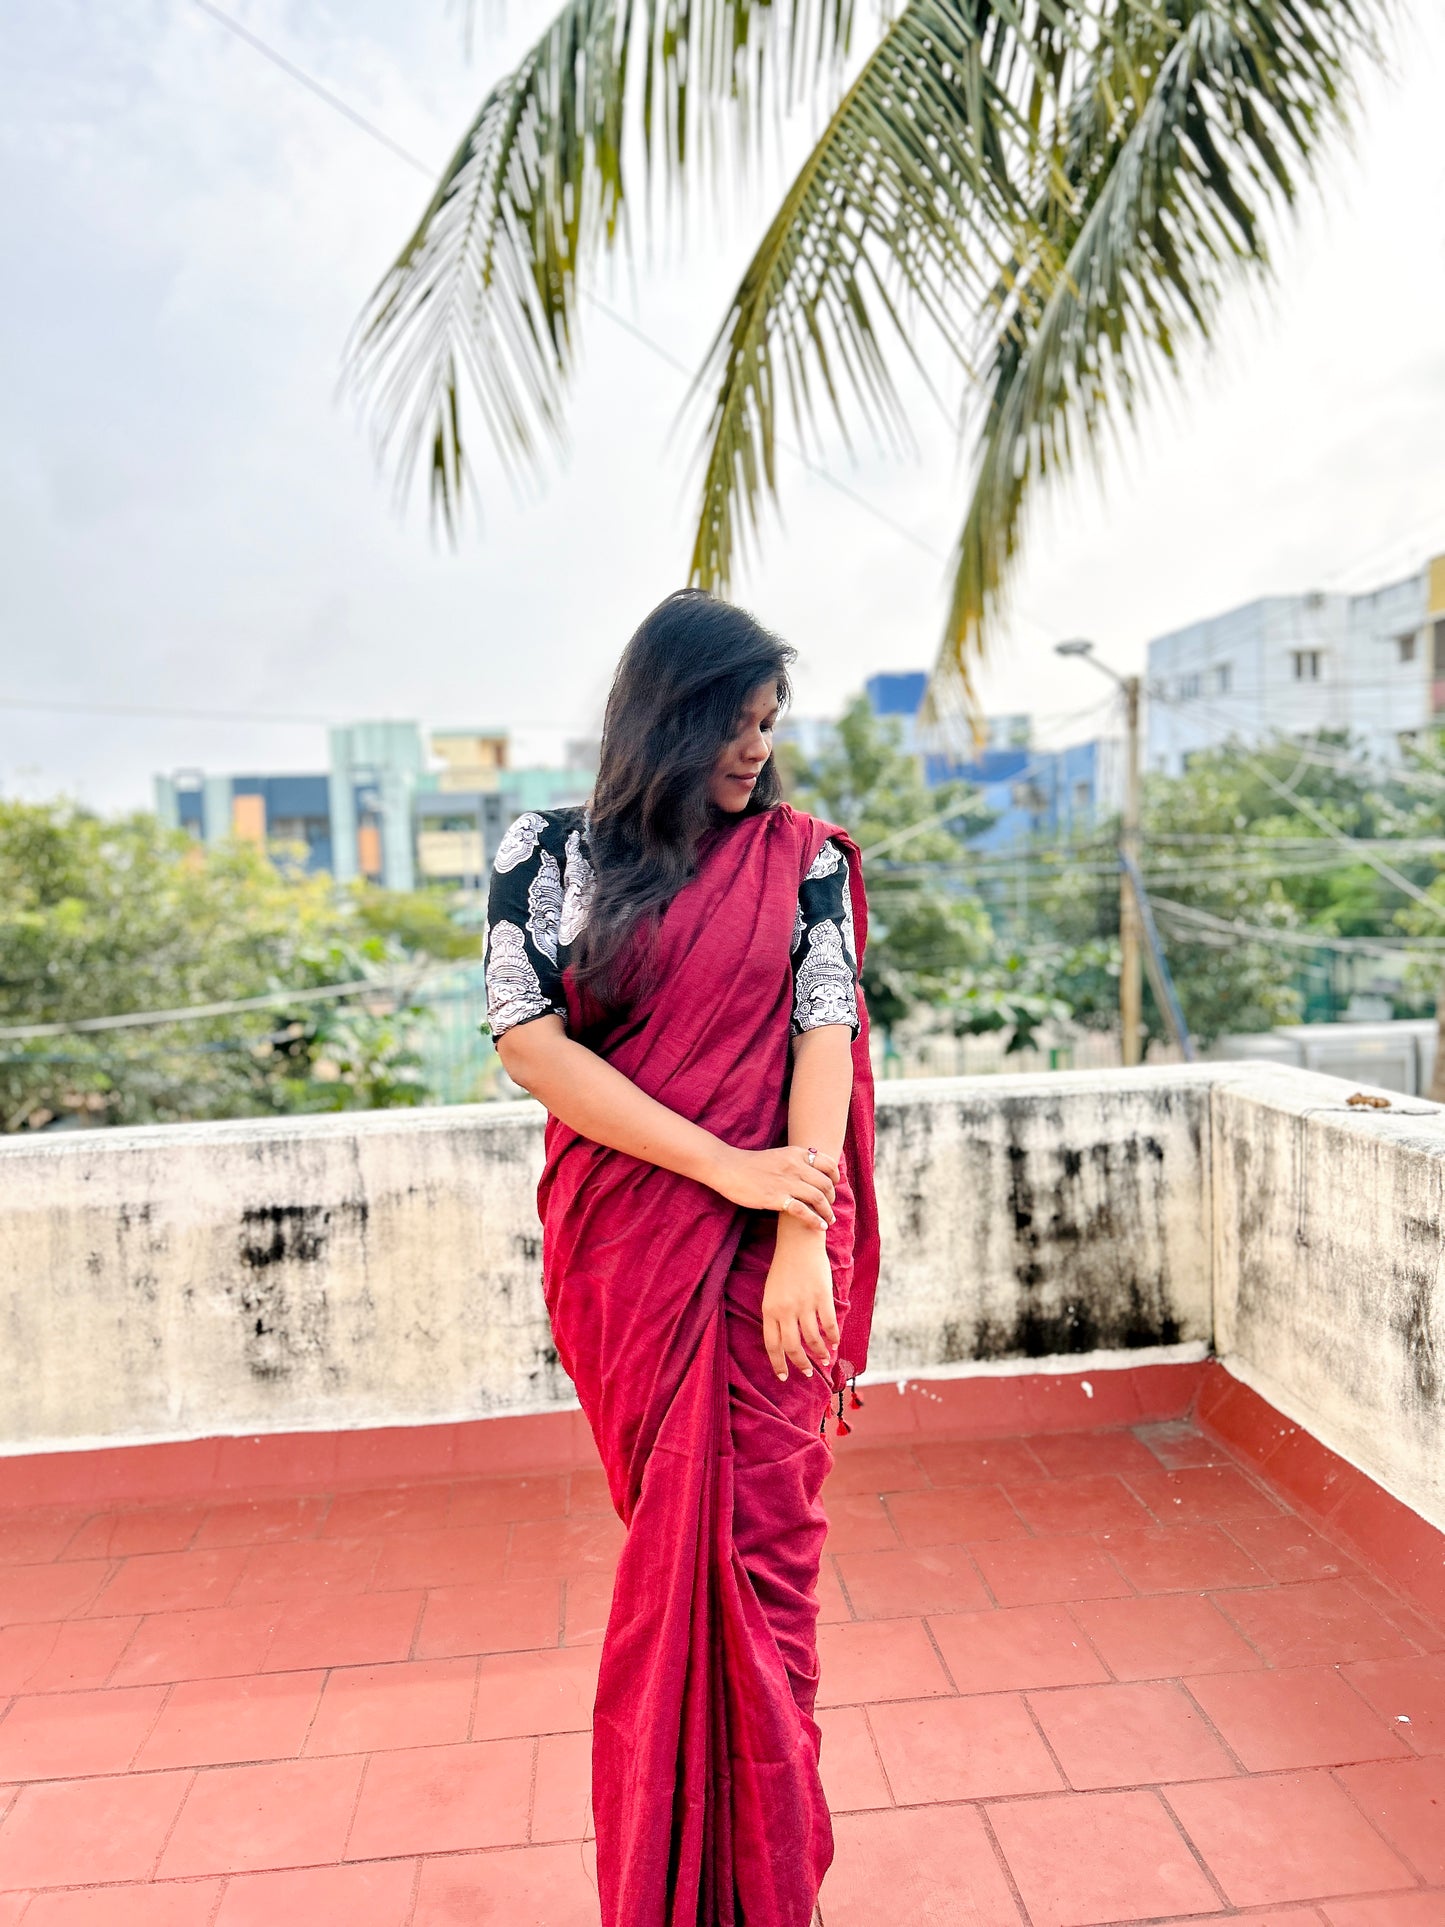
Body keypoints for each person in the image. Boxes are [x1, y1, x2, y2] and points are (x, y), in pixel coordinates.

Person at [484, 589, 879, 1927]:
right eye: (730, 720)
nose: (753, 749)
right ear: (664, 712)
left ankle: (768, 1885)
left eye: (769, 724)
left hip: (764, 1266)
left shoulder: (805, 860)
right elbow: (530, 1046)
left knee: (765, 1570)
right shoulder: (546, 853)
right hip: (624, 1256)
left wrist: (795, 1239)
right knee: (673, 1544)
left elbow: (824, 1033)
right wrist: (724, 1167)